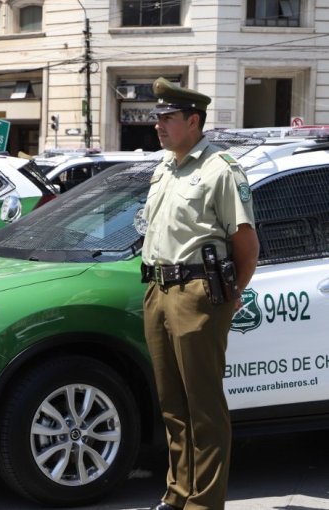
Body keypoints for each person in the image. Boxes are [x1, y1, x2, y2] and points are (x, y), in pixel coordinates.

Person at [140, 77, 259, 510]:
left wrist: (230, 294)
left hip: (198, 292)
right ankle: (177, 494)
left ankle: (204, 503)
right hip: (157, 289)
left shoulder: (220, 169)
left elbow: (246, 243)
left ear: (194, 121)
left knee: (203, 404)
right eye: (157, 118)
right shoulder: (164, 167)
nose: (159, 125)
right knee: (172, 404)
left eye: (168, 118)